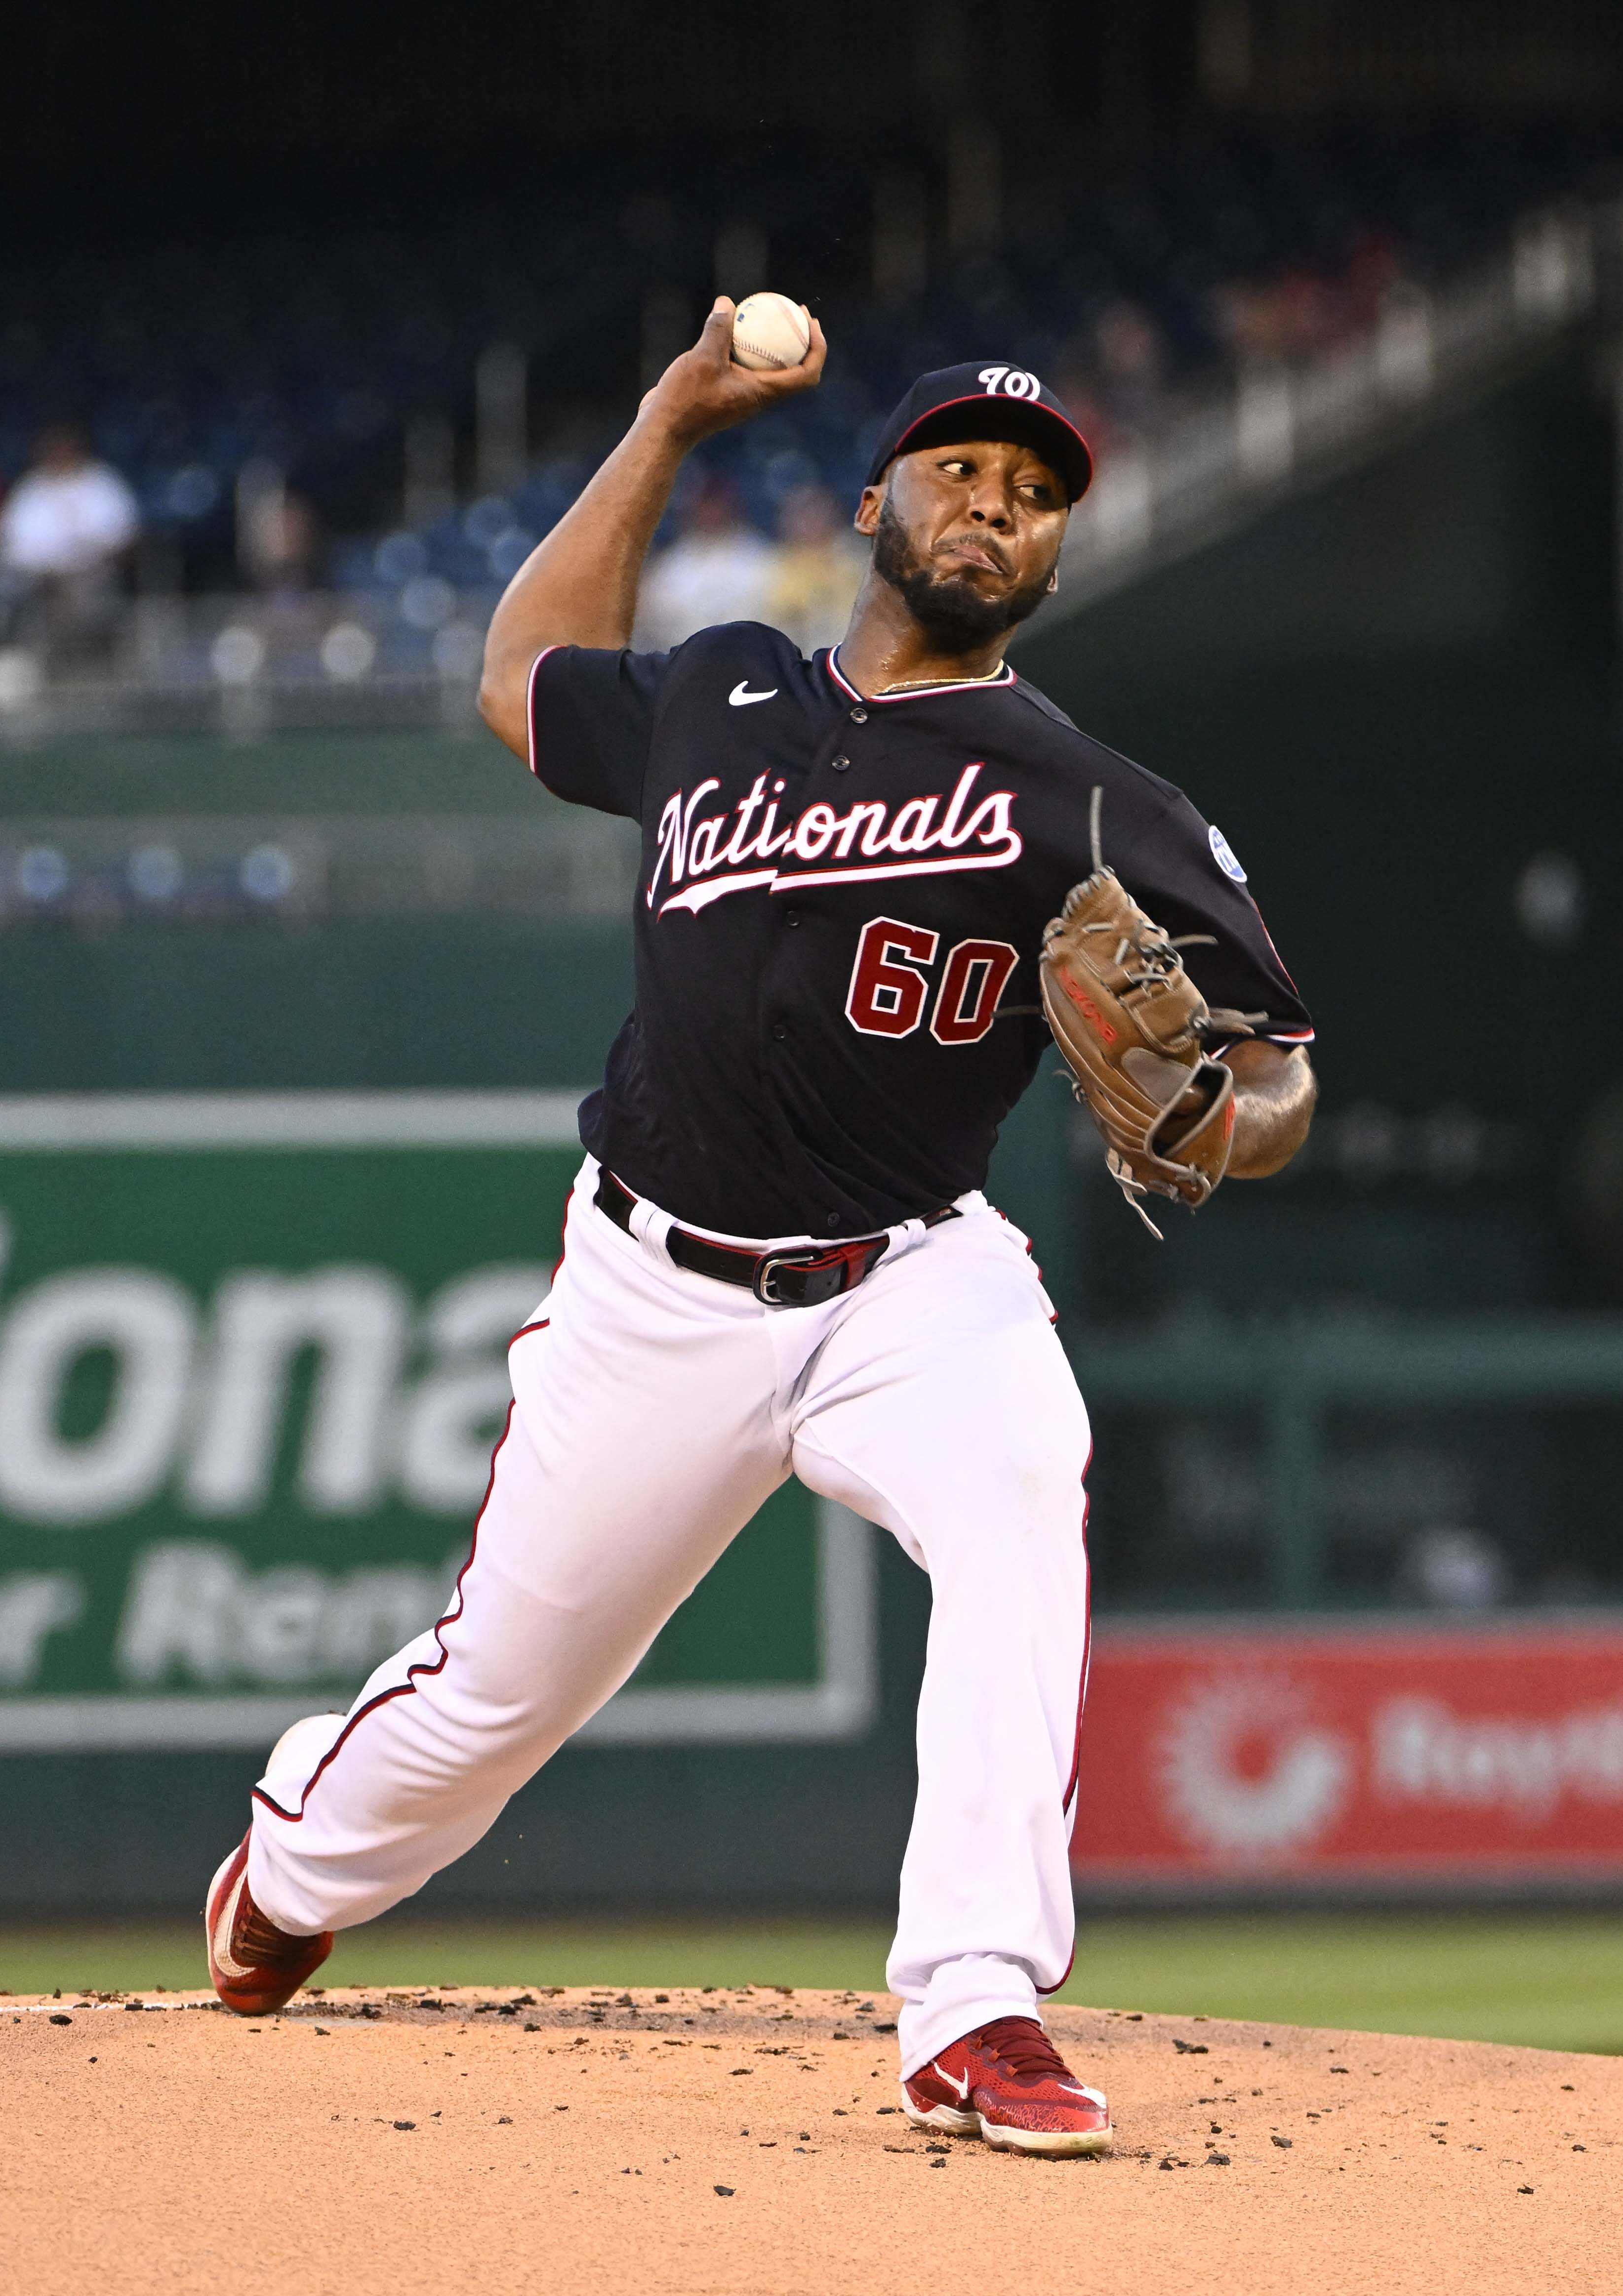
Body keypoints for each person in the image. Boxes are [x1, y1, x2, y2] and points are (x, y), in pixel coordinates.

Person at [205, 304, 1318, 2159]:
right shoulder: (718, 688)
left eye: (1031, 494)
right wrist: (662, 420)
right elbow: (519, 673)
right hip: (653, 1285)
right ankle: (296, 1863)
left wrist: (1220, 1106)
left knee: (1020, 1486)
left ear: (1051, 552)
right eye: (958, 470)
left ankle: (975, 2003)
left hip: (909, 1277)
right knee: (500, 1692)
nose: (991, 508)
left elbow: (1277, 1060)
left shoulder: (1089, 794)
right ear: (872, 498)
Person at [0, 421, 137, 654]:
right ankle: (37, 660)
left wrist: (83, 564)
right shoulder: (30, 489)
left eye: (64, 447)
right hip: (40, 582)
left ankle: (95, 656)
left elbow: (122, 537)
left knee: (88, 593)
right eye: (52, 448)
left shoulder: (102, 482)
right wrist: (46, 571)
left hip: (93, 575)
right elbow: (11, 545)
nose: (58, 453)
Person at [630, 468, 776, 648]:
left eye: (716, 503)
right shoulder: (669, 568)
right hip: (688, 664)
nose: (711, 512)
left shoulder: (763, 557)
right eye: (705, 504)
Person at [759, 482, 866, 650]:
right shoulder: (773, 567)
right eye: (802, 514)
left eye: (817, 512)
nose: (810, 521)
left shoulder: (855, 559)